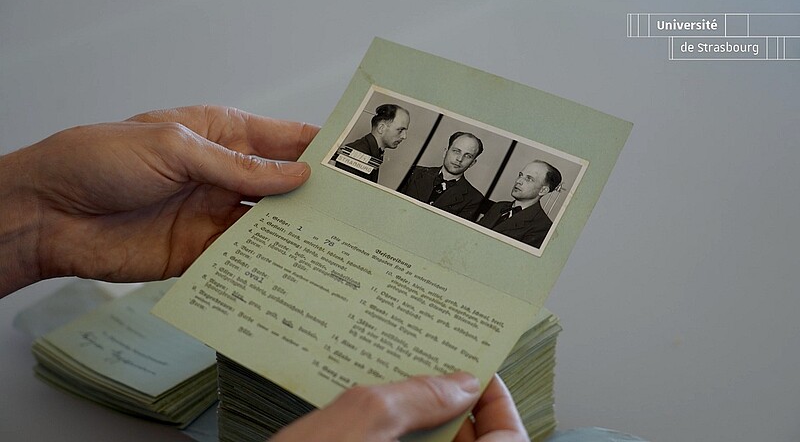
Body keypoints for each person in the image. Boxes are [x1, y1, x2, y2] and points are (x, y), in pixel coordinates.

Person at [0, 105, 528, 442]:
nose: (457, 158)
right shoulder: (406, 172)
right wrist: (38, 207)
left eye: (468, 155)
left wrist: (36, 212)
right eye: (453, 148)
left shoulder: (473, 199)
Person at [398, 131, 485, 220]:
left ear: (472, 163)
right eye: (456, 151)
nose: (459, 159)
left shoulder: (474, 199)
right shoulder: (415, 172)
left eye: (468, 156)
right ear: (445, 152)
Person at [478, 160, 562, 249]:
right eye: (520, 175)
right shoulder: (499, 206)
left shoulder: (543, 227)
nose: (518, 181)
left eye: (529, 179)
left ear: (543, 190)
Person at [334, 103, 410, 182]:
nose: (404, 136)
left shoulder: (373, 151)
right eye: (400, 130)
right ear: (381, 128)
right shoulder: (357, 154)